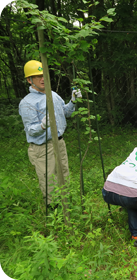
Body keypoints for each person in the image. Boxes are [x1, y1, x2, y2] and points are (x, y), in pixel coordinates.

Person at [19, 60, 82, 208]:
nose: (42, 79)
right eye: (37, 76)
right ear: (29, 80)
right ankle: (53, 210)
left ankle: (66, 207)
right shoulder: (27, 103)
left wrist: (73, 101)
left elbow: (65, 113)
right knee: (49, 180)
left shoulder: (53, 95)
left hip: (59, 142)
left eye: (43, 75)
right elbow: (30, 130)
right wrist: (42, 125)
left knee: (64, 174)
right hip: (42, 148)